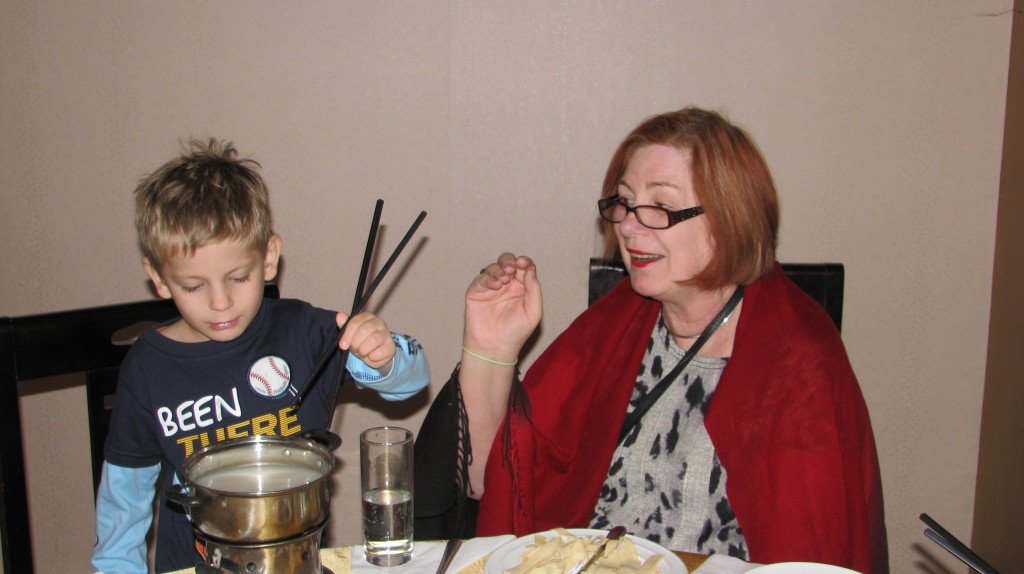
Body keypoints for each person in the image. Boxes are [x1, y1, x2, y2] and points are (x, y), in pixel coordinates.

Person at [451, 107, 888, 572]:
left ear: (729, 218)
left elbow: (815, 551)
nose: (628, 226)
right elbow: (490, 484)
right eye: (624, 202)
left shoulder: (799, 362)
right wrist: (490, 348)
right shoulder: (612, 328)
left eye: (660, 206)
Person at [91, 139, 430, 574]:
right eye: (193, 286)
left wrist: (385, 357)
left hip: (295, 560)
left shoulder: (301, 332)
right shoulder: (147, 367)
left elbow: (412, 382)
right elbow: (124, 502)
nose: (220, 302)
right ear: (158, 278)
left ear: (269, 258)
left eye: (238, 277)